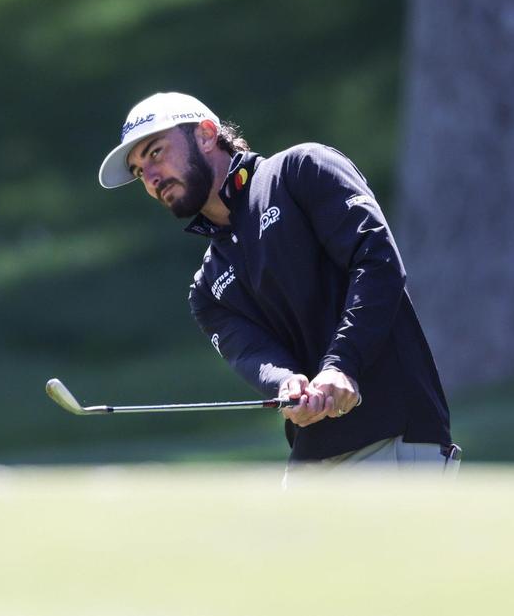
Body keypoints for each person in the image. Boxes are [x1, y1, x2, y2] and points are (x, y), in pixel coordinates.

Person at [97, 92, 456, 479]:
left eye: (155, 153)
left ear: (205, 134)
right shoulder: (207, 290)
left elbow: (378, 263)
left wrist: (341, 366)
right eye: (138, 172)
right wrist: (286, 384)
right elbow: (254, 354)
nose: (150, 178)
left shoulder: (302, 171)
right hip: (312, 458)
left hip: (396, 435)